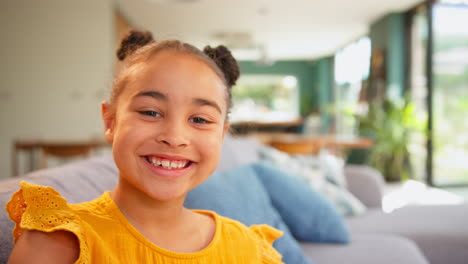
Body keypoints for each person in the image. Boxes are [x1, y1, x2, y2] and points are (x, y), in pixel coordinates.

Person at [6, 30, 284, 263]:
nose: (174, 137)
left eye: (199, 119)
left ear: (222, 135)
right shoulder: (59, 241)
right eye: (151, 112)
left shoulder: (250, 251)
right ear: (110, 121)